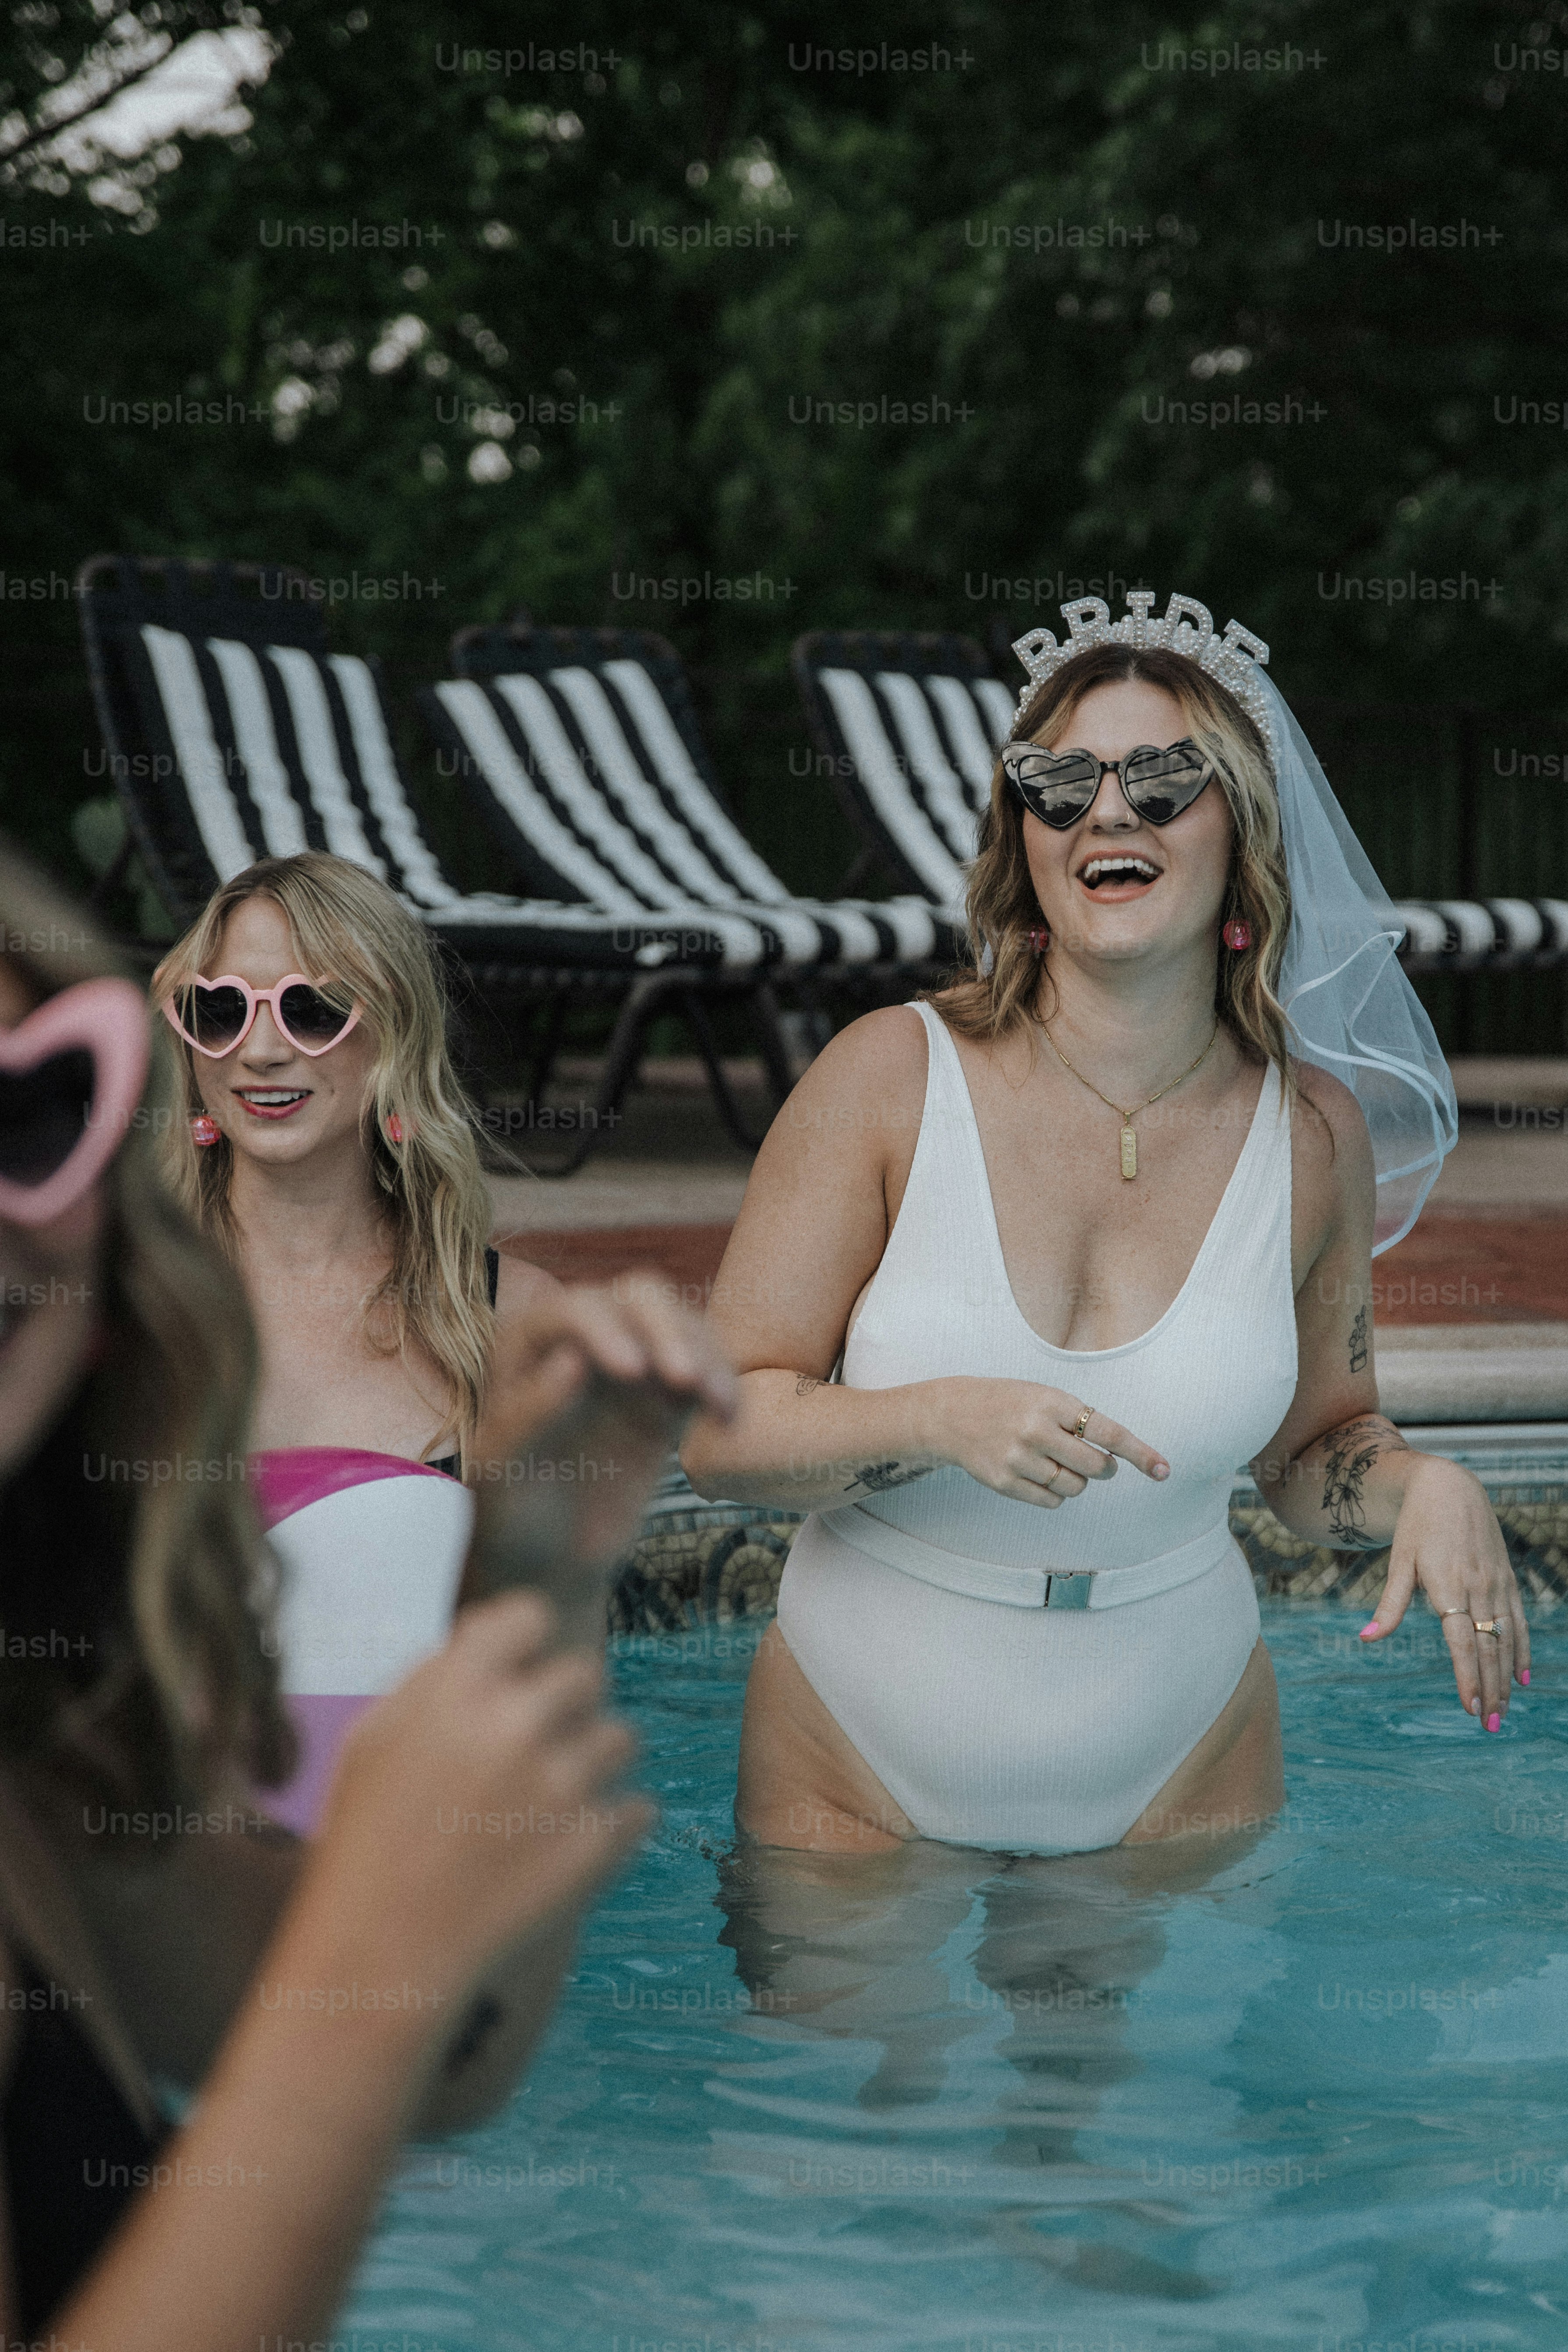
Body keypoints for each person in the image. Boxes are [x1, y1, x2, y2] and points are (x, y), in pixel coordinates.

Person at [0, 836, 735, 2343]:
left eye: (37, 1108)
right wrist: (374, 1942)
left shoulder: (49, 1750)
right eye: (216, 1013)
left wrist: (529, 1581)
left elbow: (448, 2066)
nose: (263, 1048)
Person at [683, 588, 1526, 1858]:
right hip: (853, 1743)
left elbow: (1313, 1455)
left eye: (1162, 776)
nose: (1109, 810)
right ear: (1020, 839)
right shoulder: (886, 1078)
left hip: (1179, 1759)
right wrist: (931, 1418)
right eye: (1058, 781)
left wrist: (1424, 1485)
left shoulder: (1310, 1135)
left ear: (1238, 830)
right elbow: (712, 1433)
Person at [149, 851, 586, 1828]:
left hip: (414, 1872)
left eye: (310, 1008)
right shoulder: (129, 1315)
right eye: (221, 1011)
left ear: (392, 1032)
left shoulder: (508, 1326)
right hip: (172, 1879)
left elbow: (552, 1674)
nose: (259, 1051)